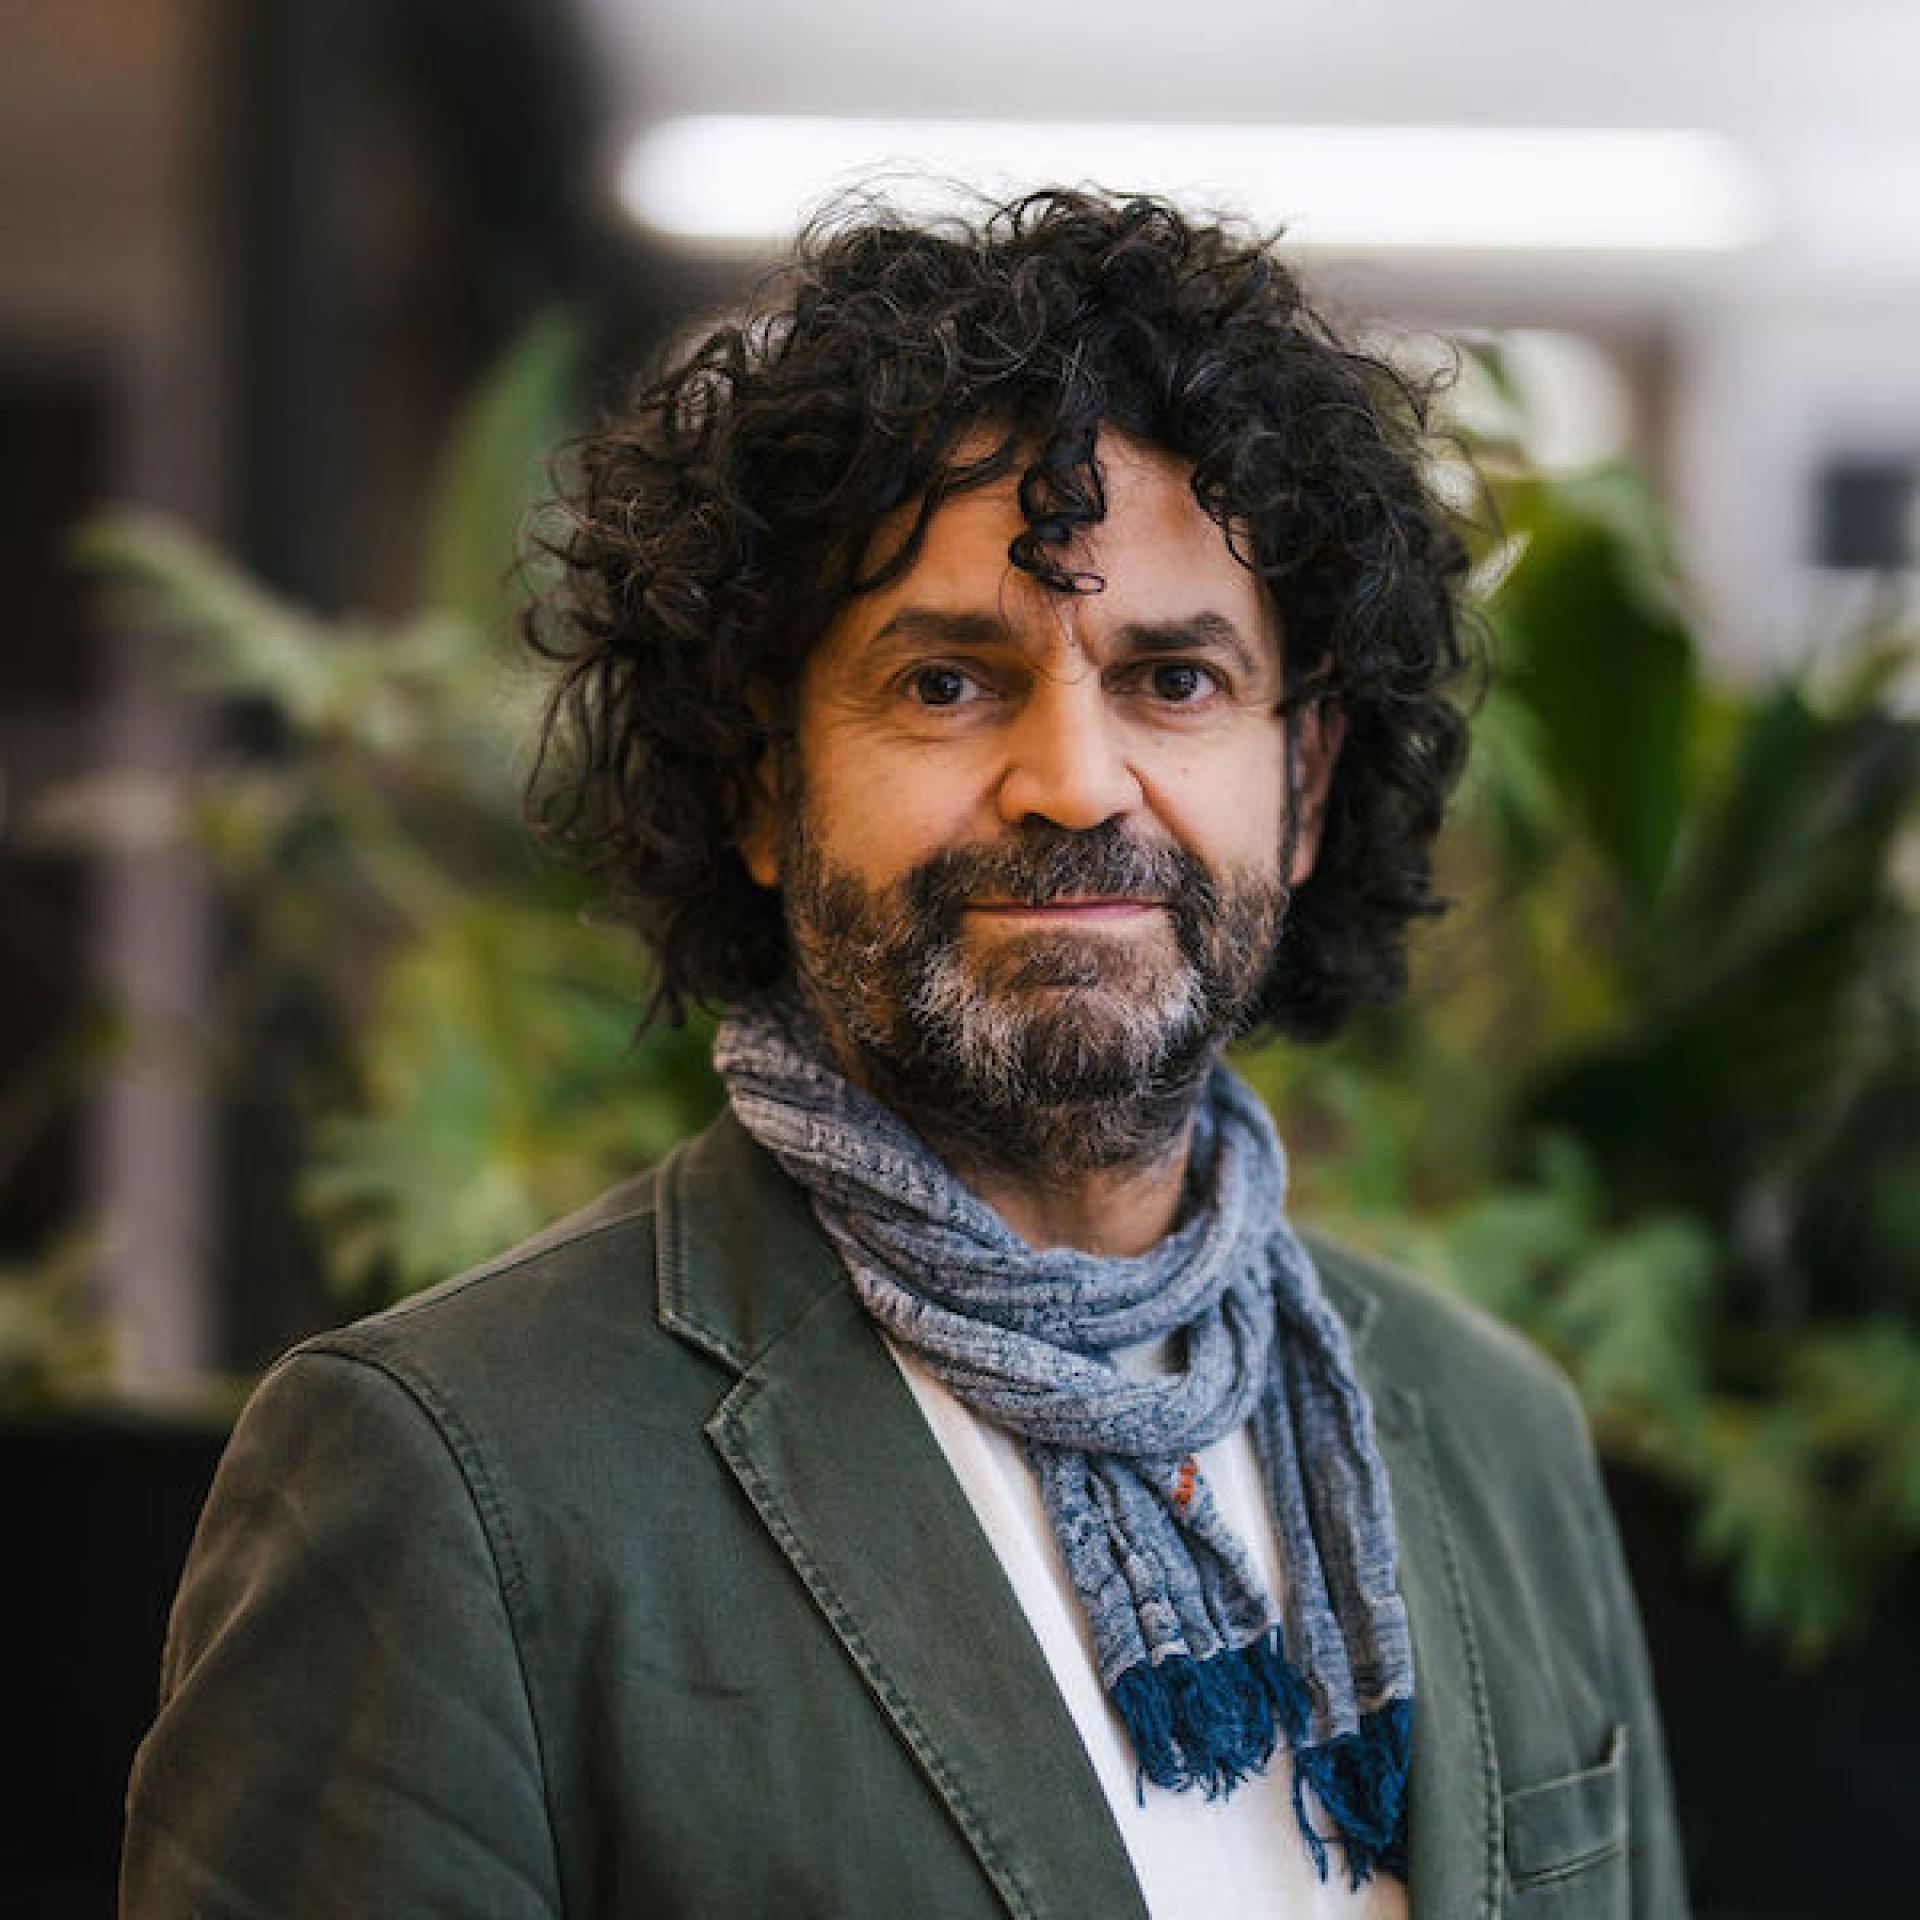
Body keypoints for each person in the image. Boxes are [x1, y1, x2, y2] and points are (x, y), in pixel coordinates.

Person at [122, 189, 1688, 1918]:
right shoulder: (458, 1474)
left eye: (1174, 679)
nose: (1075, 783)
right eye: (947, 682)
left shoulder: (1497, 1436)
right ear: (762, 786)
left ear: (1305, 785)